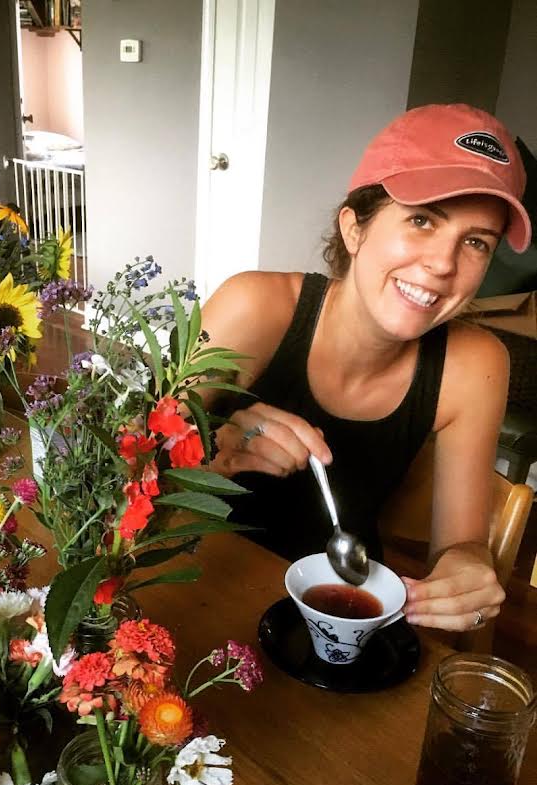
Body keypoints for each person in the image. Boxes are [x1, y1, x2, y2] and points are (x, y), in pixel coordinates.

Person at [203, 103, 531, 634]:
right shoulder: (254, 308)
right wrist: (209, 448)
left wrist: (467, 567)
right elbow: (122, 457)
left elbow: (460, 546)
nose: (444, 264)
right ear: (354, 228)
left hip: (341, 625)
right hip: (197, 583)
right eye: (422, 220)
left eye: (476, 243)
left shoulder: (475, 366)